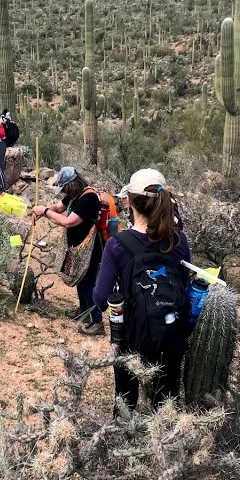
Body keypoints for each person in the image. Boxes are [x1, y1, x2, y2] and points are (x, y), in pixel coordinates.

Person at [93, 169, 192, 412]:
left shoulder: (118, 245)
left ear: (131, 203)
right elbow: (184, 285)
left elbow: (100, 299)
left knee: (125, 400)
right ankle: (165, 443)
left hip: (130, 335)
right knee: (166, 402)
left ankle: (121, 439)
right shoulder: (178, 241)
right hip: (171, 331)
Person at [32, 167, 104, 335]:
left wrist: (44, 211)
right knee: (80, 279)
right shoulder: (74, 196)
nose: (64, 192)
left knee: (88, 284)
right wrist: (43, 211)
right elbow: (58, 208)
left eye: (64, 188)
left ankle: (97, 322)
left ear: (72, 185)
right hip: (79, 249)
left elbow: (69, 222)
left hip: (92, 249)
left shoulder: (89, 198)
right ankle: (84, 311)